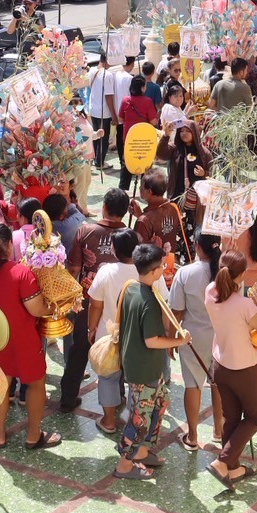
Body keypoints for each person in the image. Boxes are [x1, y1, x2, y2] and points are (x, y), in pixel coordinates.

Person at [0, 224, 57, 450]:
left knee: (1, 386)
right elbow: (36, 309)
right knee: (36, 384)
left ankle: (0, 435)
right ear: (9, 245)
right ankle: (33, 435)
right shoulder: (21, 273)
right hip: (24, 340)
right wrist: (55, 307)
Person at [112, 244, 190, 479]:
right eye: (163, 266)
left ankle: (142, 451)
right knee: (139, 418)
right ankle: (124, 465)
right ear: (155, 271)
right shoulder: (149, 301)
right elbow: (152, 341)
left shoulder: (131, 288)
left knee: (161, 402)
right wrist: (180, 341)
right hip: (143, 368)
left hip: (144, 366)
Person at [203, 251, 257, 487]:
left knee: (231, 417)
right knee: (256, 416)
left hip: (221, 365)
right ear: (241, 275)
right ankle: (224, 461)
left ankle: (232, 469)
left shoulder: (211, 292)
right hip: (244, 368)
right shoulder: (245, 305)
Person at [63, 188, 132, 413]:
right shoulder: (131, 236)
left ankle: (68, 397)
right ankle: (117, 398)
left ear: (103, 207)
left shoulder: (86, 231)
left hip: (87, 301)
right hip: (121, 305)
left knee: (79, 349)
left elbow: (74, 267)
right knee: (118, 349)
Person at [169, 234, 221, 450]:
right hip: (222, 336)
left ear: (198, 247)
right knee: (218, 384)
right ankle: (220, 430)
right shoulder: (230, 271)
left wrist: (171, 338)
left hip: (193, 338)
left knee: (193, 385)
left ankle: (192, 436)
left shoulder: (185, 273)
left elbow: (177, 311)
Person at [86, 228, 140, 436]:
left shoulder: (106, 271)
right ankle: (135, 423)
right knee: (136, 380)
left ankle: (108, 421)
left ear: (115, 250)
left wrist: (92, 328)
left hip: (109, 336)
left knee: (108, 378)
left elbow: (96, 304)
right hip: (138, 337)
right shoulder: (147, 269)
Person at [166, 122, 210, 232]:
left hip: (195, 202)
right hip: (177, 196)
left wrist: (204, 173)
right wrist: (165, 136)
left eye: (187, 131)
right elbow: (161, 154)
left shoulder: (204, 153)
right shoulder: (175, 148)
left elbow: (212, 174)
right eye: (181, 131)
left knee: (192, 229)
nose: (184, 134)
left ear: (194, 133)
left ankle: (190, 248)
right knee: (174, 228)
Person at [117, 76, 159, 190]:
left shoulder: (125, 100)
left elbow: (120, 119)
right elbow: (153, 121)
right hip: (145, 140)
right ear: (142, 87)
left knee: (126, 166)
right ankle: (145, 190)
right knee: (146, 167)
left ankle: (122, 190)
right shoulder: (148, 102)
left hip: (129, 139)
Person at [85, 57, 114, 168]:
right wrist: (113, 114)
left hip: (93, 109)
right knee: (103, 137)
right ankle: (99, 161)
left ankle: (95, 159)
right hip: (104, 111)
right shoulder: (108, 75)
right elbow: (109, 96)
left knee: (96, 135)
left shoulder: (92, 70)